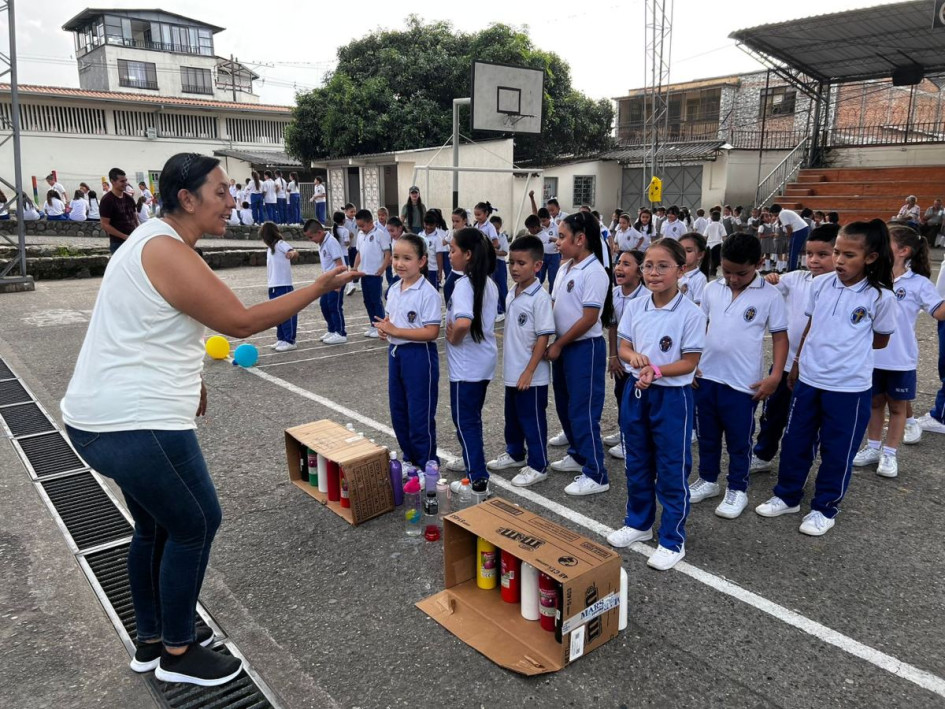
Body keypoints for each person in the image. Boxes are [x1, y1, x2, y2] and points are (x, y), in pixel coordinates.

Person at [60, 152, 357, 687]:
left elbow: (153, 325)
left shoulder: (152, 241)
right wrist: (317, 288)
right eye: (220, 191)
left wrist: (193, 377)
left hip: (103, 417)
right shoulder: (166, 249)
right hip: (136, 421)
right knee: (196, 522)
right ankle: (178, 652)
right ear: (187, 198)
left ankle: (152, 641)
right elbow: (239, 322)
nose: (231, 201)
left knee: (156, 525)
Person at [756, 220, 896, 536]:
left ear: (870, 258)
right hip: (809, 379)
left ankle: (824, 507)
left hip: (848, 387)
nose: (839, 260)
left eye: (849, 255)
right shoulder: (820, 285)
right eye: (837, 253)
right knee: (796, 440)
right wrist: (797, 363)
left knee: (837, 450)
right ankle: (787, 496)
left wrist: (844, 351)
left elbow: (880, 340)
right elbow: (810, 325)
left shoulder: (880, 297)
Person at [607, 238, 706, 570]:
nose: (654, 272)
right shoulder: (636, 307)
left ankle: (672, 538)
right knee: (636, 461)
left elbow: (690, 361)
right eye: (648, 265)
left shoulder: (691, 313)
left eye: (663, 266)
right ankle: (639, 523)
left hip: (671, 397)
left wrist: (657, 370)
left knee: (671, 467)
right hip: (637, 392)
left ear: (681, 270)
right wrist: (632, 356)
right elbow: (624, 347)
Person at [688, 234, 788, 520]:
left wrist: (775, 376)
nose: (732, 279)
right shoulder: (711, 289)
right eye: (727, 271)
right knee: (707, 435)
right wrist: (692, 363)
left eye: (741, 273)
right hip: (707, 376)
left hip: (743, 383)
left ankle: (737, 488)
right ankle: (708, 479)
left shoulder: (770, 295)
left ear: (759, 263)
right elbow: (699, 327)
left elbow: (780, 338)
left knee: (738, 441)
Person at [852, 225, 945, 477]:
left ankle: (890, 453)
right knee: (874, 404)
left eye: (885, 243)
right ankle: (873, 448)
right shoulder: (870, 277)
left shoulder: (918, 283)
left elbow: (939, 312)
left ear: (903, 251)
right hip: (871, 356)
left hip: (900, 359)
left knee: (897, 408)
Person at [750, 225, 839, 473]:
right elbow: (763, 287)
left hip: (816, 370)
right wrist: (769, 279)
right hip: (785, 363)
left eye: (823, 254)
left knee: (805, 421)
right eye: (809, 254)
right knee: (772, 414)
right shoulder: (796, 279)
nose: (814, 260)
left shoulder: (840, 287)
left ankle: (798, 466)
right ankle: (763, 454)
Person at [546, 212, 613, 496]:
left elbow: (589, 318)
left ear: (581, 239)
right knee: (564, 404)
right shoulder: (565, 268)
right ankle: (577, 453)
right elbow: (554, 304)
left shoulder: (594, 272)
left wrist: (559, 344)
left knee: (583, 410)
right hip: (564, 345)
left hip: (584, 348)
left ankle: (596, 473)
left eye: (562, 237)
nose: (558, 242)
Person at [486, 235, 555, 487]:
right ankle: (515, 453)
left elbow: (543, 336)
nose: (514, 268)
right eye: (511, 263)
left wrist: (529, 371)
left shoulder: (540, 298)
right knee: (512, 417)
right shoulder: (512, 293)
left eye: (521, 263)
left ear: (537, 266)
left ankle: (538, 465)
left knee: (532, 419)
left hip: (531, 376)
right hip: (513, 371)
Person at [373, 234, 441, 467]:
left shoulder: (427, 293)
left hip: (419, 355)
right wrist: (385, 330)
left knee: (419, 413)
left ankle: (427, 463)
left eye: (407, 258)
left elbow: (432, 332)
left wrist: (396, 330)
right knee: (399, 411)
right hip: (396, 354)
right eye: (395, 257)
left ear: (422, 261)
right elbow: (391, 321)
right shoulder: (394, 289)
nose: (399, 263)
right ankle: (409, 458)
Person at [443, 228, 499, 499]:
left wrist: (453, 337)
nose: (449, 255)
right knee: (470, 420)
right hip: (481, 362)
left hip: (466, 367)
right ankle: (471, 462)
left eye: (453, 250)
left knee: (465, 422)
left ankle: (478, 481)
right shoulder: (488, 282)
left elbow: (464, 322)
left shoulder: (465, 285)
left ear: (467, 254)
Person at [603, 249, 647, 459]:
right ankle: (624, 432)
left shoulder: (647, 297)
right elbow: (613, 326)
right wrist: (613, 357)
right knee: (621, 395)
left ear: (640, 272)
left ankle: (632, 441)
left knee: (636, 402)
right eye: (619, 262)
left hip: (639, 362)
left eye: (626, 264)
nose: (619, 268)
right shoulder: (614, 293)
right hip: (621, 359)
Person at [304, 219, 348, 344]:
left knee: (334, 306)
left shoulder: (331, 242)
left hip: (336, 280)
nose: (311, 240)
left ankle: (340, 333)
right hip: (327, 281)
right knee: (324, 305)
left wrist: (338, 283)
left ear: (319, 232)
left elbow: (340, 264)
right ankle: (332, 329)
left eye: (311, 237)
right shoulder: (322, 243)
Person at [260, 221, 300, 352]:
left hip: (284, 284)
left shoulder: (280, 244)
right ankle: (281, 338)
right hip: (273, 285)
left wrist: (291, 254)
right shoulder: (270, 249)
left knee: (287, 312)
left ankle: (290, 340)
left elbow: (293, 251)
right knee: (277, 314)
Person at [353, 209, 391, 338]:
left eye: (363, 226)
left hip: (375, 274)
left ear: (370, 222)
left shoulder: (379, 234)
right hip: (364, 273)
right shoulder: (360, 235)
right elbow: (359, 253)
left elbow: (387, 252)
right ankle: (373, 324)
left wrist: (383, 267)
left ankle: (381, 327)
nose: (361, 229)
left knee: (376, 300)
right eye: (359, 226)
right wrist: (354, 267)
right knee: (367, 301)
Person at [99, 168, 139, 252]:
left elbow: (134, 218)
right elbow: (104, 224)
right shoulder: (107, 200)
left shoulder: (129, 198)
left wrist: (138, 233)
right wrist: (124, 236)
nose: (125, 183)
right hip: (118, 244)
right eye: (122, 181)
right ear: (113, 181)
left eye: (126, 181)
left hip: (133, 240)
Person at [769, 203, 810, 272]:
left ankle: (791, 269)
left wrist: (789, 236)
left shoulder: (782, 214)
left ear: (775, 212)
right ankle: (793, 267)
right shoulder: (785, 212)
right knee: (794, 250)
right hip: (802, 229)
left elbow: (789, 228)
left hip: (798, 230)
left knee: (793, 251)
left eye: (772, 213)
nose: (773, 215)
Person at [677, 232, 709, 307]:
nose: (682, 254)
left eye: (688, 251)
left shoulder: (700, 279)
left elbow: (698, 306)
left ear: (700, 255)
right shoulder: (674, 273)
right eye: (680, 250)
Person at [443, 208, 467, 305]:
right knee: (447, 287)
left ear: (464, 221)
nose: (454, 224)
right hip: (454, 267)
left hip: (465, 268)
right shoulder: (452, 232)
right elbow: (444, 242)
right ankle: (450, 308)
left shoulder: (469, 233)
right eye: (453, 221)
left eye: (457, 221)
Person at [421, 210, 443, 290]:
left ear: (436, 224)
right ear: (424, 223)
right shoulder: (420, 235)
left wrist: (440, 271)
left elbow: (439, 256)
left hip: (433, 269)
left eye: (431, 225)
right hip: (421, 269)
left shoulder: (437, 238)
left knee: (433, 290)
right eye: (427, 224)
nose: (429, 227)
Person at [704, 210, 725, 276]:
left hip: (709, 244)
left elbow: (705, 236)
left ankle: (710, 270)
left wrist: (704, 244)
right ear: (719, 218)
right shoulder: (721, 225)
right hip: (718, 244)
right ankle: (713, 270)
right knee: (716, 259)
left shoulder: (709, 226)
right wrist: (725, 244)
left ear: (711, 218)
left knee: (710, 258)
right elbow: (724, 236)